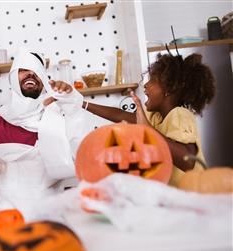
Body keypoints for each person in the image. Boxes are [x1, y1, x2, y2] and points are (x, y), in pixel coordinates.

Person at [0, 48, 90, 201]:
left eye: (37, 71)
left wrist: (73, 109)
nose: (31, 74)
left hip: (51, 214)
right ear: (12, 78)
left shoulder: (58, 120)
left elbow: (82, 158)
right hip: (8, 217)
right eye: (23, 69)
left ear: (44, 81)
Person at [81, 53, 215, 186]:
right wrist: (81, 103)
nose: (145, 85)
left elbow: (188, 161)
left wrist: (148, 130)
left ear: (168, 89)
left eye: (152, 80)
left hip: (195, 195)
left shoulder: (179, 114)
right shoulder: (155, 117)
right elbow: (120, 115)